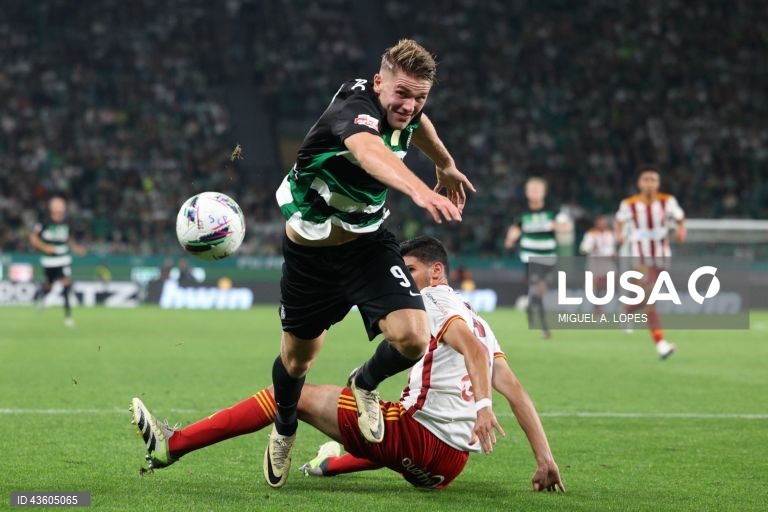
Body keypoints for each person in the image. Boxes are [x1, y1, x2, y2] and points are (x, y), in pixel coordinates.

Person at [129, 237, 564, 492]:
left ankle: (173, 445)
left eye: (410, 270)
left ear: (436, 272)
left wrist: (483, 407)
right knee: (379, 426)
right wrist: (545, 459)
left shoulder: (434, 301)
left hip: (419, 441)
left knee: (290, 395)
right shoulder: (481, 322)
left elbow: (471, 350)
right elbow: (516, 390)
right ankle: (328, 464)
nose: (404, 280)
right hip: (447, 468)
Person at [267, 39, 475, 486]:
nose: (409, 105)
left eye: (419, 96)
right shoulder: (353, 109)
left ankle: (363, 382)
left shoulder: (407, 108)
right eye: (402, 93)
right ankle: (284, 426)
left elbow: (418, 124)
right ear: (379, 82)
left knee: (413, 337)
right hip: (311, 254)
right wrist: (419, 190)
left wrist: (445, 164)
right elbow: (369, 152)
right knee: (298, 361)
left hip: (367, 244)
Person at [614, 166, 686, 359]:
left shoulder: (667, 201)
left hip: (661, 256)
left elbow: (680, 218)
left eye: (653, 180)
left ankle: (625, 310)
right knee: (650, 297)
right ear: (639, 183)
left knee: (647, 297)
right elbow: (619, 221)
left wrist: (681, 231)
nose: (649, 184)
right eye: (646, 180)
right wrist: (619, 235)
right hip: (640, 255)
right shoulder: (629, 204)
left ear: (658, 184)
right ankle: (661, 344)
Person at [504, 178, 572, 338]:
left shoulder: (552, 211)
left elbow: (567, 226)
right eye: (531, 189)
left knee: (541, 291)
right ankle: (544, 327)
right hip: (530, 258)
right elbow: (515, 228)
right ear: (526, 192)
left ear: (544, 192)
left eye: (537, 189)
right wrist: (510, 239)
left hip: (549, 258)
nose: (534, 192)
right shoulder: (522, 212)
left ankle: (531, 305)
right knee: (539, 288)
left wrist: (557, 226)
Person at [28, 196, 86, 327]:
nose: (61, 207)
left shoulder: (68, 221)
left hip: (63, 258)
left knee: (66, 283)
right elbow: (33, 237)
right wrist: (45, 247)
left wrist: (76, 248)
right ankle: (41, 299)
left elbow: (69, 238)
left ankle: (68, 316)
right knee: (49, 286)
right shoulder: (44, 222)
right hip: (49, 260)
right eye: (58, 205)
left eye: (62, 205)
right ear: (51, 207)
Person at [579, 215, 616, 315]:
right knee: (593, 286)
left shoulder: (610, 234)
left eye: (604, 223)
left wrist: (614, 254)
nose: (602, 225)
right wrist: (592, 247)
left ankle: (605, 307)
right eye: (601, 223)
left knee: (608, 284)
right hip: (595, 262)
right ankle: (595, 309)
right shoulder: (591, 234)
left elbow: (612, 249)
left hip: (607, 262)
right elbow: (583, 249)